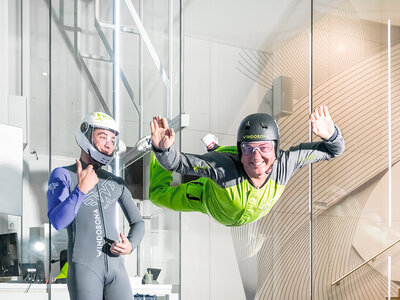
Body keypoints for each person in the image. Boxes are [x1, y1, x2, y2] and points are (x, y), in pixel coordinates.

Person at [148, 105, 345, 226]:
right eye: (249, 148)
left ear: (276, 149)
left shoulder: (285, 163)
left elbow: (334, 150)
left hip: (236, 187)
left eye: (264, 147)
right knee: (157, 196)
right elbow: (177, 163)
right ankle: (157, 147)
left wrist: (331, 134)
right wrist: (161, 150)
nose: (257, 157)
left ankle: (215, 147)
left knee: (226, 156)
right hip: (206, 198)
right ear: (241, 149)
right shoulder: (222, 169)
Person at [47, 112, 144, 300]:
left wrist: (131, 245)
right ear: (86, 135)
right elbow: (58, 221)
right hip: (85, 269)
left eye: (113, 139)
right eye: (102, 136)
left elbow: (138, 221)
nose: (109, 143)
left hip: (117, 271)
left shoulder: (116, 182)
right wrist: (80, 190)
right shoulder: (63, 175)